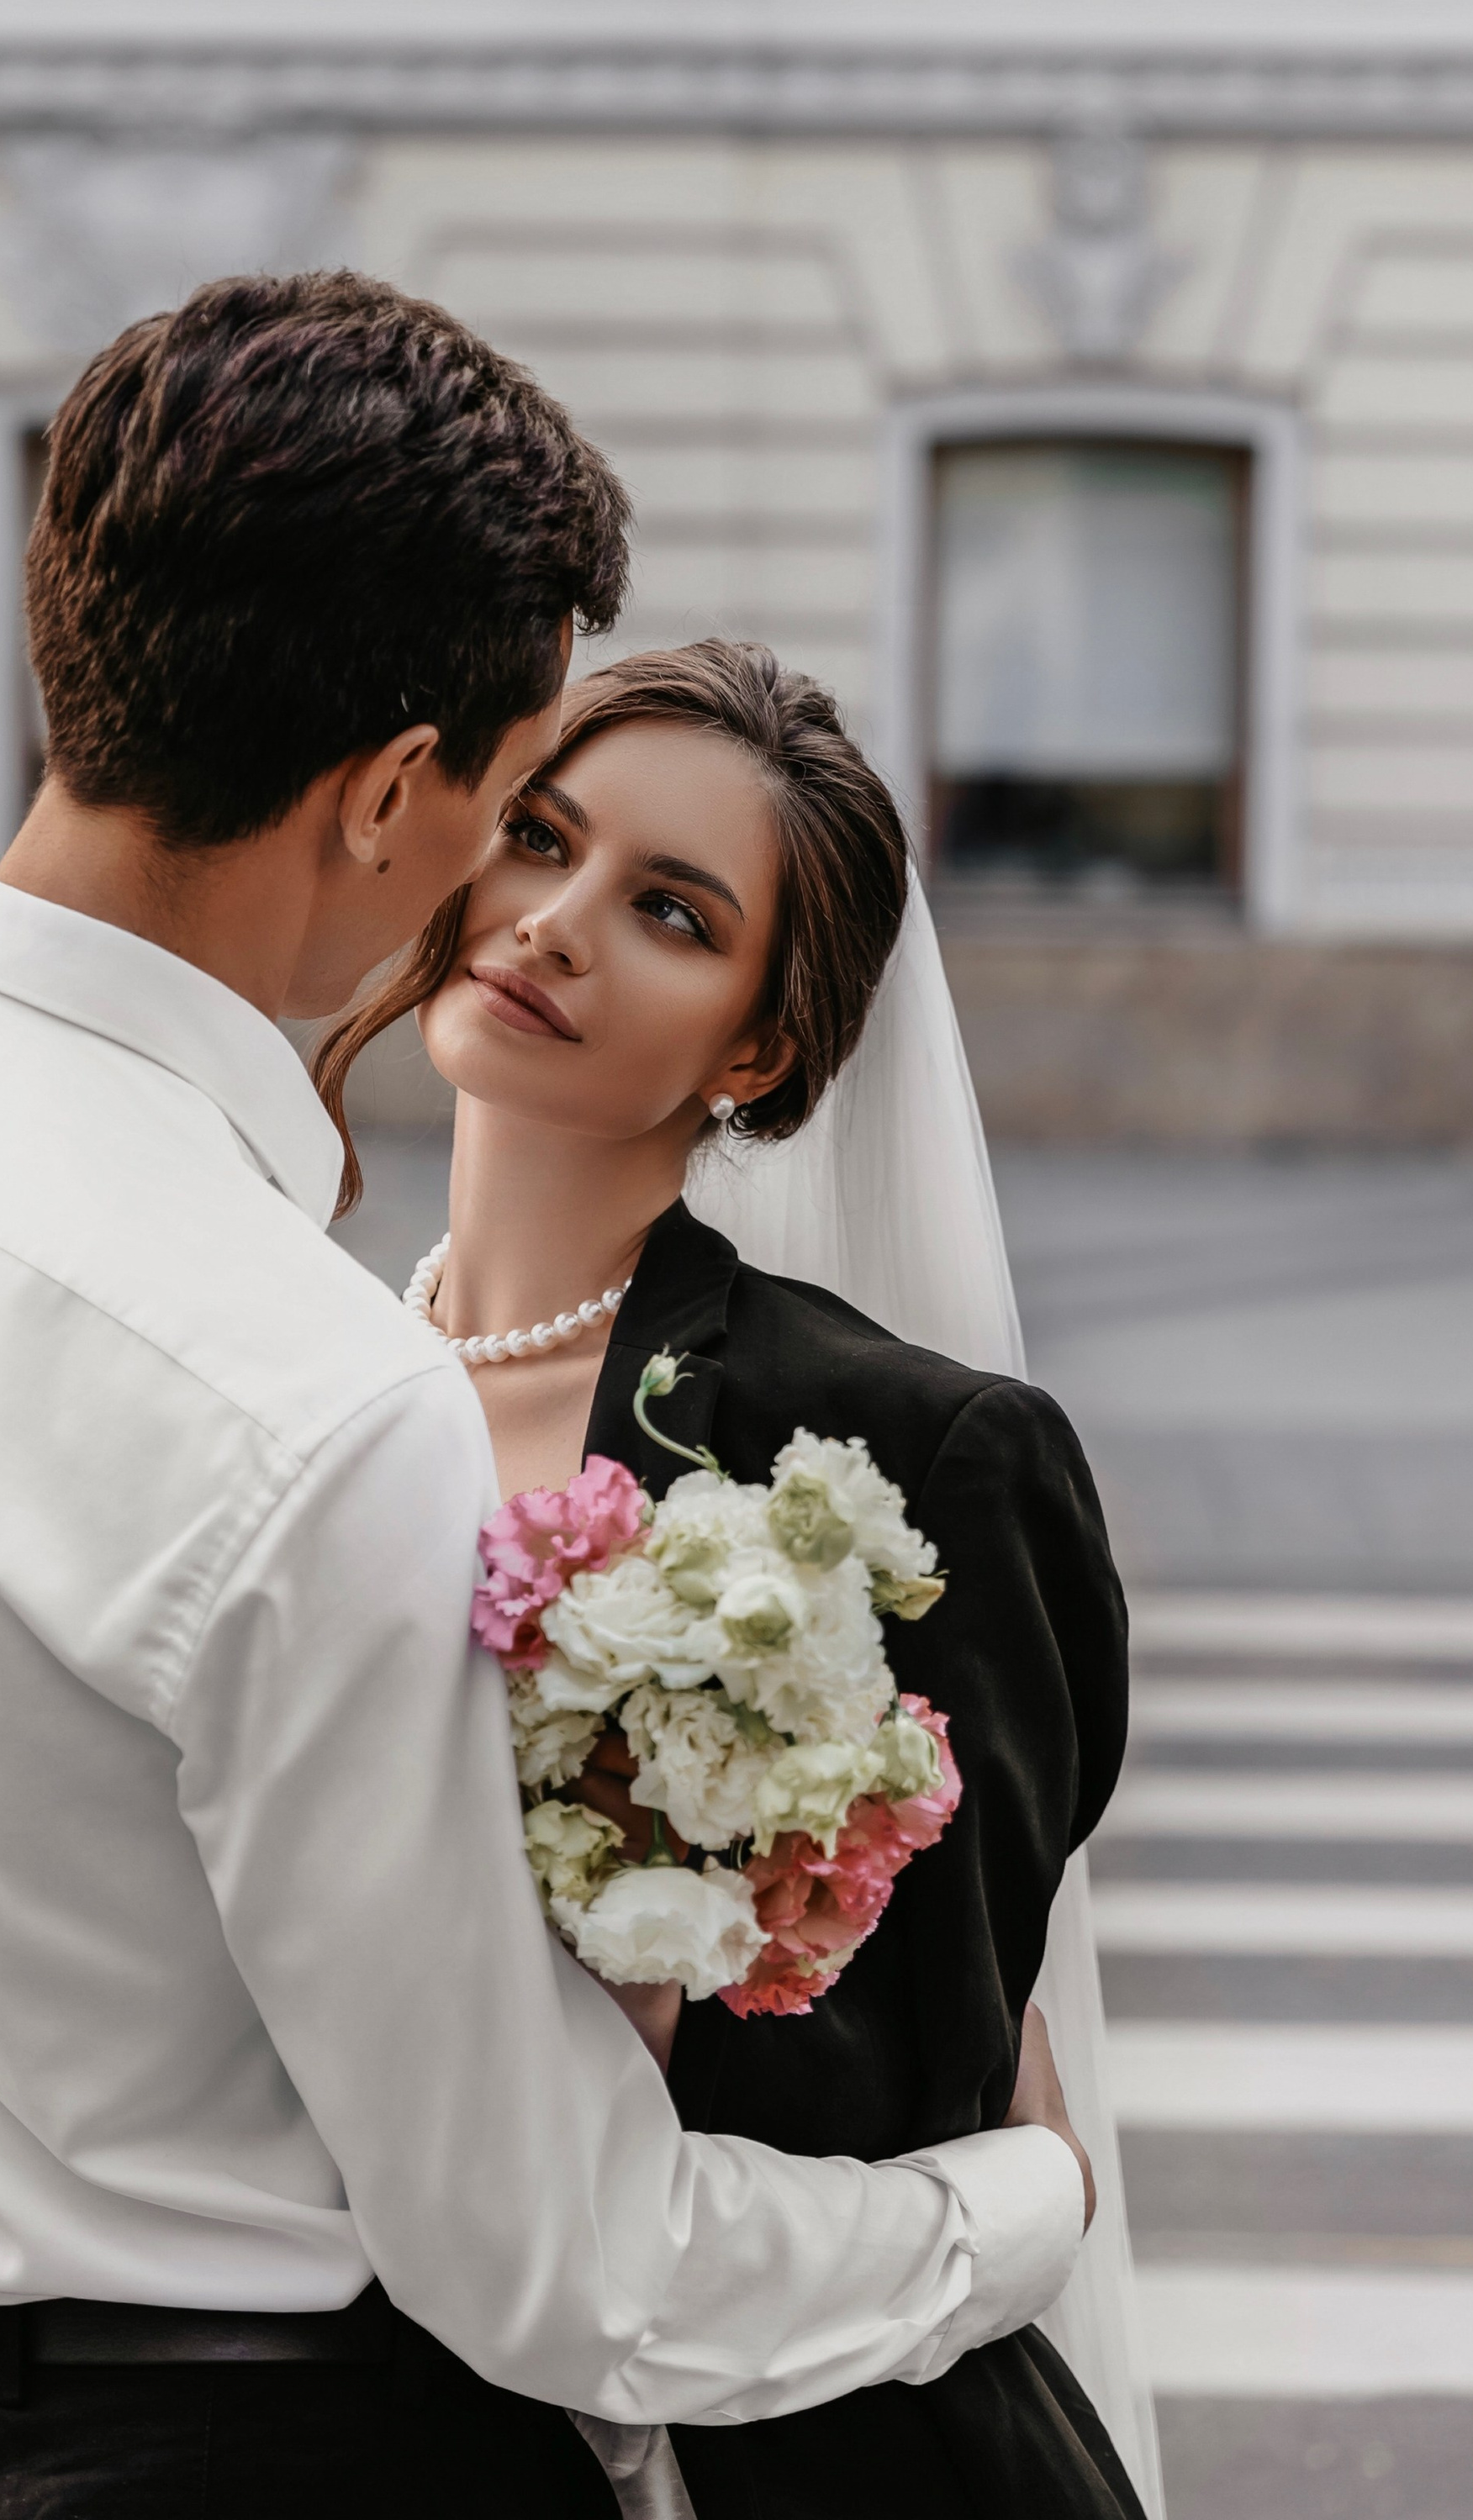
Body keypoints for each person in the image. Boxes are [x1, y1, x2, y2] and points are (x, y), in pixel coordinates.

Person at [0, 275, 1092, 2520]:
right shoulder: (310, 1393)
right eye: (514, 807)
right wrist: (1010, 2214)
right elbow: (559, 2272)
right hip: (289, 2457)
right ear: (391, 794)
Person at [316, 635, 1149, 2520]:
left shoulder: (912, 1460)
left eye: (669, 912)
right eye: (537, 839)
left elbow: (935, 2088)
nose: (551, 925)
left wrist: (653, 1971)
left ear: (758, 1047)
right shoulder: (295, 1367)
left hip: (784, 2459)